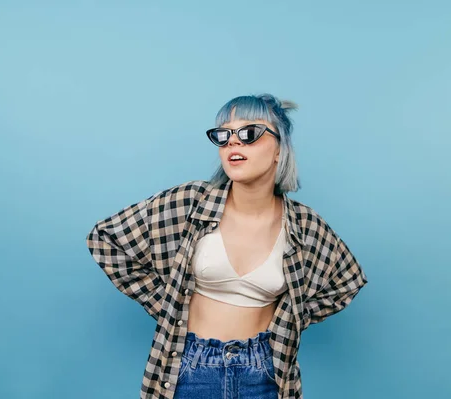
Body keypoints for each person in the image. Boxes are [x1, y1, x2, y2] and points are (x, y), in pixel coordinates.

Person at [86, 93, 369, 399]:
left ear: (279, 149)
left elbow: (347, 281)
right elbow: (106, 239)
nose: (233, 143)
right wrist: (169, 303)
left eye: (249, 133)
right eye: (224, 136)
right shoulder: (191, 202)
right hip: (190, 367)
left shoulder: (302, 226)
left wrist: (292, 315)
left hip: (264, 371)